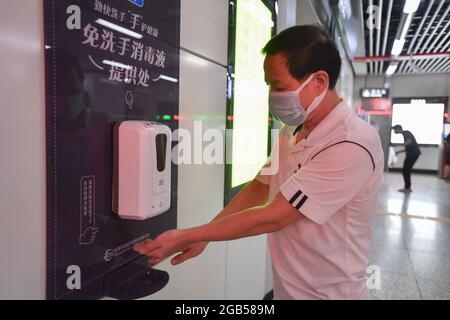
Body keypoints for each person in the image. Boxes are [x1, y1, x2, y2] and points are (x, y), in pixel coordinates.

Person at [134, 25, 384, 300]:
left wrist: (186, 235)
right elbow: (259, 187)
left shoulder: (351, 144)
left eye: (279, 86)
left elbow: (274, 216)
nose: (272, 97)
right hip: (288, 291)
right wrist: (202, 236)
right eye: (269, 86)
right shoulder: (294, 130)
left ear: (319, 82)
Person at [392, 125, 421, 192]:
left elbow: (408, 142)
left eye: (394, 130)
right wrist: (399, 152)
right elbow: (408, 147)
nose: (394, 131)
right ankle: (407, 187)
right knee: (406, 170)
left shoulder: (406, 133)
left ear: (398, 129)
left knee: (406, 170)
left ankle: (407, 188)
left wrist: (397, 144)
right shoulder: (405, 134)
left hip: (413, 154)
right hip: (413, 154)